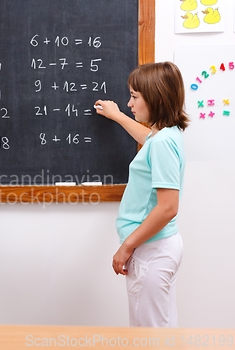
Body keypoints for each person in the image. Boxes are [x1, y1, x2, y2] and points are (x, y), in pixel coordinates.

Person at [95, 61, 189, 327]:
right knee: (161, 330)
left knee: (148, 337)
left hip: (151, 250)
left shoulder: (162, 144)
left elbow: (168, 207)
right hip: (159, 246)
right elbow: (147, 137)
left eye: (135, 96)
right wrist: (117, 117)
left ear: (156, 97)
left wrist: (126, 247)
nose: (129, 103)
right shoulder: (166, 135)